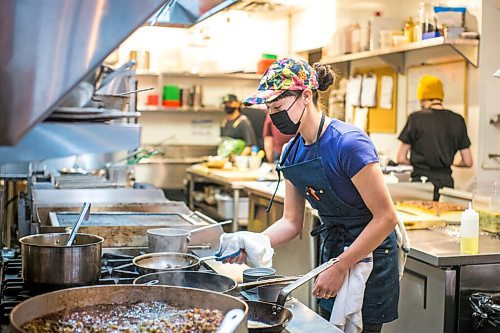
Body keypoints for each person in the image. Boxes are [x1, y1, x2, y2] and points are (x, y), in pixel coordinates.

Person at [218, 58, 400, 332]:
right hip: (333, 252)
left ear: (305, 96)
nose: (273, 116)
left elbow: (386, 218)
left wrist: (341, 266)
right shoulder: (292, 151)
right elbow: (292, 221)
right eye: (269, 109)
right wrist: (254, 241)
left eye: (278, 107)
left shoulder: (348, 144)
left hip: (370, 255)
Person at [397, 75, 473, 201]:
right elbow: (468, 161)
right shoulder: (458, 120)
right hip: (446, 186)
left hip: (421, 184)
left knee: (421, 218)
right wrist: (449, 162)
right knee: (444, 219)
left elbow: (400, 158)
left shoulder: (415, 119)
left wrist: (417, 162)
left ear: (422, 99)